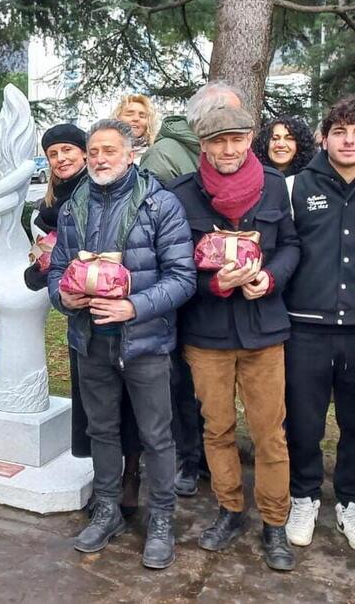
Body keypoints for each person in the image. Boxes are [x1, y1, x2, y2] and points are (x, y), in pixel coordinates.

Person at [48, 119, 196, 569]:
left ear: (131, 154)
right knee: (101, 430)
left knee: (156, 435)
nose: (100, 159)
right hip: (90, 339)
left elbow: (183, 278)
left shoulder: (160, 204)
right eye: (94, 151)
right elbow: (57, 271)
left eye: (109, 150)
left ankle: (162, 518)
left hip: (145, 343)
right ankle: (108, 508)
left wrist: (133, 307)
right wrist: (63, 296)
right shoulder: (73, 206)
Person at [170, 105, 300, 571]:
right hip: (207, 334)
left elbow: (291, 244)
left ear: (249, 139)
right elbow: (176, 263)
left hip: (264, 328)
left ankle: (275, 521)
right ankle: (230, 509)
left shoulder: (273, 185)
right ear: (203, 145)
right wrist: (215, 284)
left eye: (237, 139)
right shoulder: (182, 193)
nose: (229, 149)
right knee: (218, 428)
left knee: (270, 433)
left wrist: (270, 278)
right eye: (218, 141)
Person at [25, 124, 143, 516]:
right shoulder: (55, 202)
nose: (61, 159)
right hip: (82, 318)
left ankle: (130, 476)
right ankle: (106, 480)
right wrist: (45, 272)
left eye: (68, 150)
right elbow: (55, 262)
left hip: (123, 315)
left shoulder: (96, 191)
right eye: (53, 153)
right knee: (96, 409)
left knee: (125, 404)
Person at [141, 80, 245, 499]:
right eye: (222, 113)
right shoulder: (166, 153)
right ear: (201, 119)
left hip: (235, 290)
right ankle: (189, 457)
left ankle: (211, 455)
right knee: (184, 383)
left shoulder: (228, 150)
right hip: (185, 287)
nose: (228, 124)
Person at [283, 95, 355, 551]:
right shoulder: (294, 187)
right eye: (340, 131)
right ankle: (304, 496)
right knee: (304, 424)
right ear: (324, 137)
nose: (349, 140)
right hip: (305, 328)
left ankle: (350, 500)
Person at [252, 115, 317, 176]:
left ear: (300, 144)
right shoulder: (253, 176)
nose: (281, 144)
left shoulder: (310, 179)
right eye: (275, 138)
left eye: (289, 138)